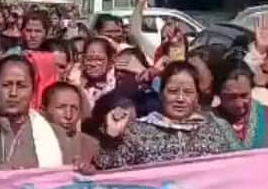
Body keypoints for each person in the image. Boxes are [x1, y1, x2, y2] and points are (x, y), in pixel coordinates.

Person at [95, 62, 241, 169]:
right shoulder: (135, 132)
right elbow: (110, 175)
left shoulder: (216, 130)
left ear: (197, 97)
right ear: (160, 94)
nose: (180, 99)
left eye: (188, 92)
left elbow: (238, 171)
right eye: (173, 91)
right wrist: (111, 138)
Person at [0, 56, 75, 170]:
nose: (13, 93)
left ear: (33, 91)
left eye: (21, 86)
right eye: (6, 85)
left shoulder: (56, 135)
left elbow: (67, 178)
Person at [214, 64, 268, 149]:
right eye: (231, 97)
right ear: (219, 94)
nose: (239, 104)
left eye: (244, 95)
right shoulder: (207, 122)